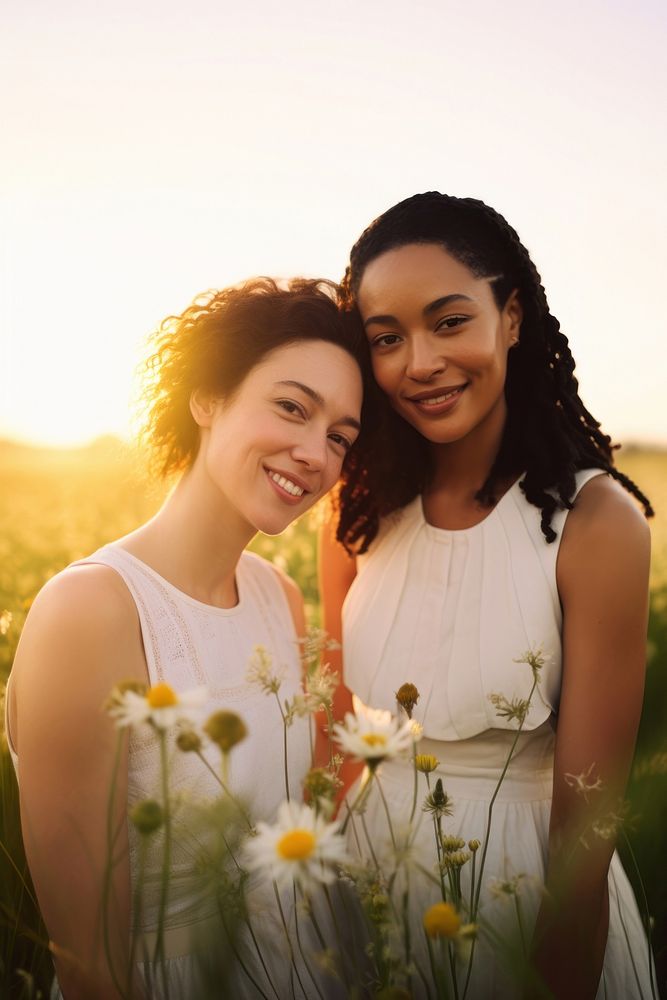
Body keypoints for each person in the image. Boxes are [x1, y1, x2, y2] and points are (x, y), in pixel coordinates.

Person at [319, 193, 654, 999]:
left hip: (517, 884)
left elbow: (589, 804)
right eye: (386, 339)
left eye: (449, 321)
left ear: (510, 317)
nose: (419, 363)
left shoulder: (594, 520)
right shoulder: (355, 509)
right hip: (364, 870)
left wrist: (563, 949)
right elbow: (333, 732)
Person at [6, 277, 364, 998]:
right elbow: (88, 966)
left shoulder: (279, 597)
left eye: (338, 438)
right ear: (207, 397)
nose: (314, 454)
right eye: (291, 408)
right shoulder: (90, 611)